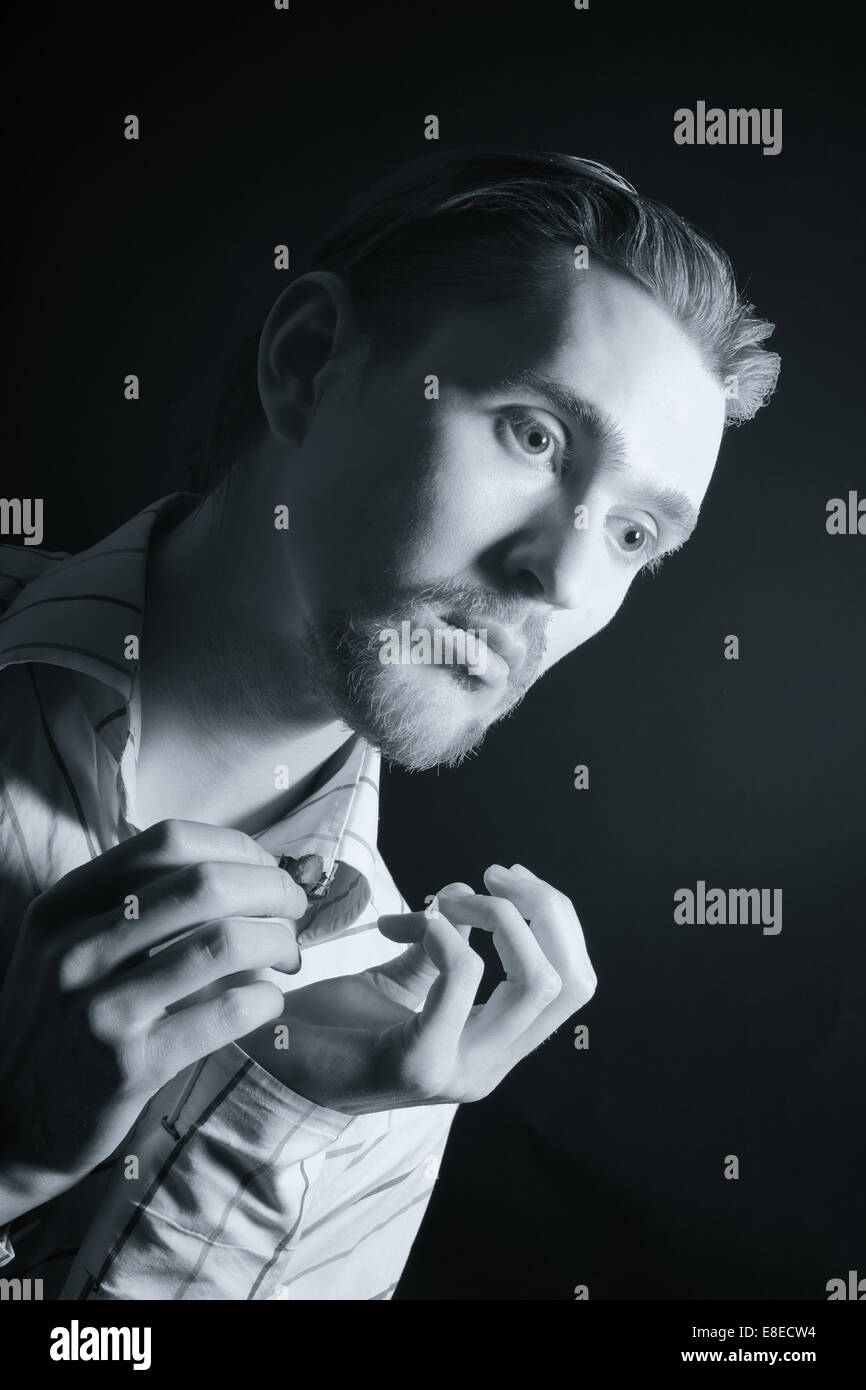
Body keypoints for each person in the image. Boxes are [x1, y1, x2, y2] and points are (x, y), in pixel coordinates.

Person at [0, 149, 780, 1299]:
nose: (559, 577)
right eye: (533, 436)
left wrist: (272, 1101)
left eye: (632, 537)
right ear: (310, 366)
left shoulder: (392, 1043)